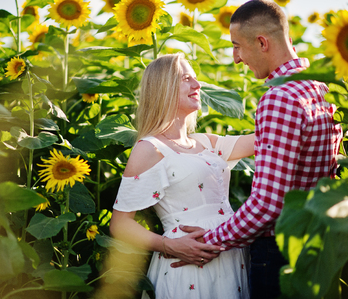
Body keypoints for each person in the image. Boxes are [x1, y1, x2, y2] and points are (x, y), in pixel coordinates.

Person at [172, 1, 343, 298]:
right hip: (319, 241)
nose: (236, 59)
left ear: (262, 42)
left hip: (280, 250)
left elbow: (268, 204)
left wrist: (211, 241)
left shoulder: (279, 98)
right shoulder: (319, 87)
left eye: (237, 46)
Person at [109, 52, 255, 298]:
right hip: (185, 261)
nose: (198, 85)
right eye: (186, 79)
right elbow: (120, 223)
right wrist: (169, 245)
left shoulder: (205, 142)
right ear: (162, 87)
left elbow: (268, 138)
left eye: (196, 79)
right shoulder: (150, 148)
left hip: (230, 256)